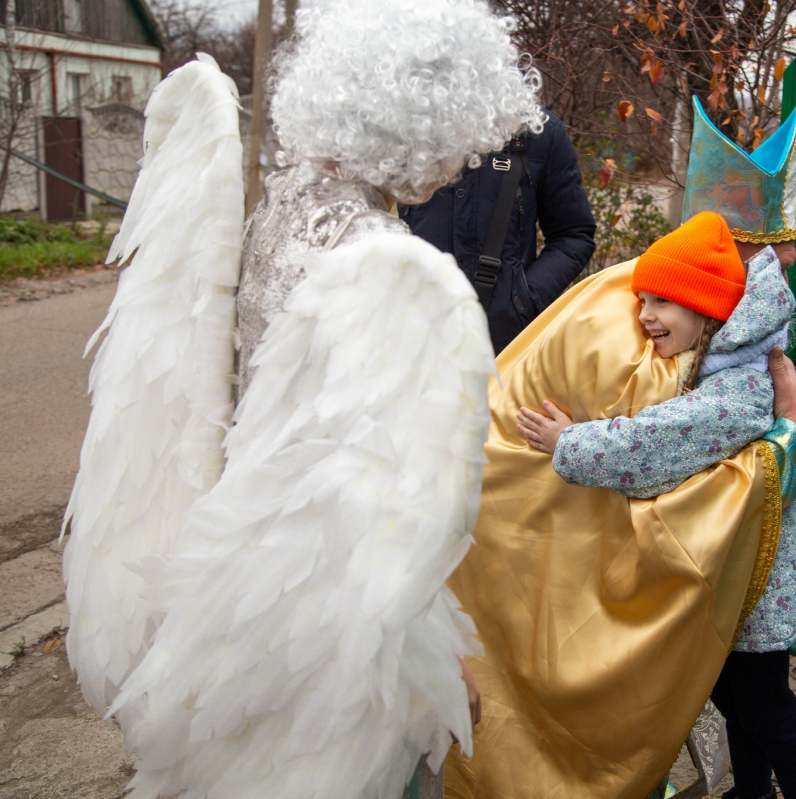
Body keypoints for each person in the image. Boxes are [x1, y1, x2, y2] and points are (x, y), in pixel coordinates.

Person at [60, 2, 543, 796]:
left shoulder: (268, 218)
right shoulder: (380, 258)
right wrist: (434, 669)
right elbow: (368, 505)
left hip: (239, 568)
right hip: (321, 620)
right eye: (460, 139)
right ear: (409, 119)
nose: (462, 164)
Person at [442, 206, 796, 796]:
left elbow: (655, 445)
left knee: (765, 709)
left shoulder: (738, 389)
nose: (644, 316)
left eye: (662, 303)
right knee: (745, 706)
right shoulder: (729, 366)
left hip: (750, 592)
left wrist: (567, 441)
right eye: (642, 300)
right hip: (743, 584)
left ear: (706, 308)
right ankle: (750, 793)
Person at [401, 110, 597, 352]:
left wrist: (522, 301)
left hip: (503, 346)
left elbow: (574, 234)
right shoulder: (404, 122)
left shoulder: (538, 131)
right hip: (413, 335)